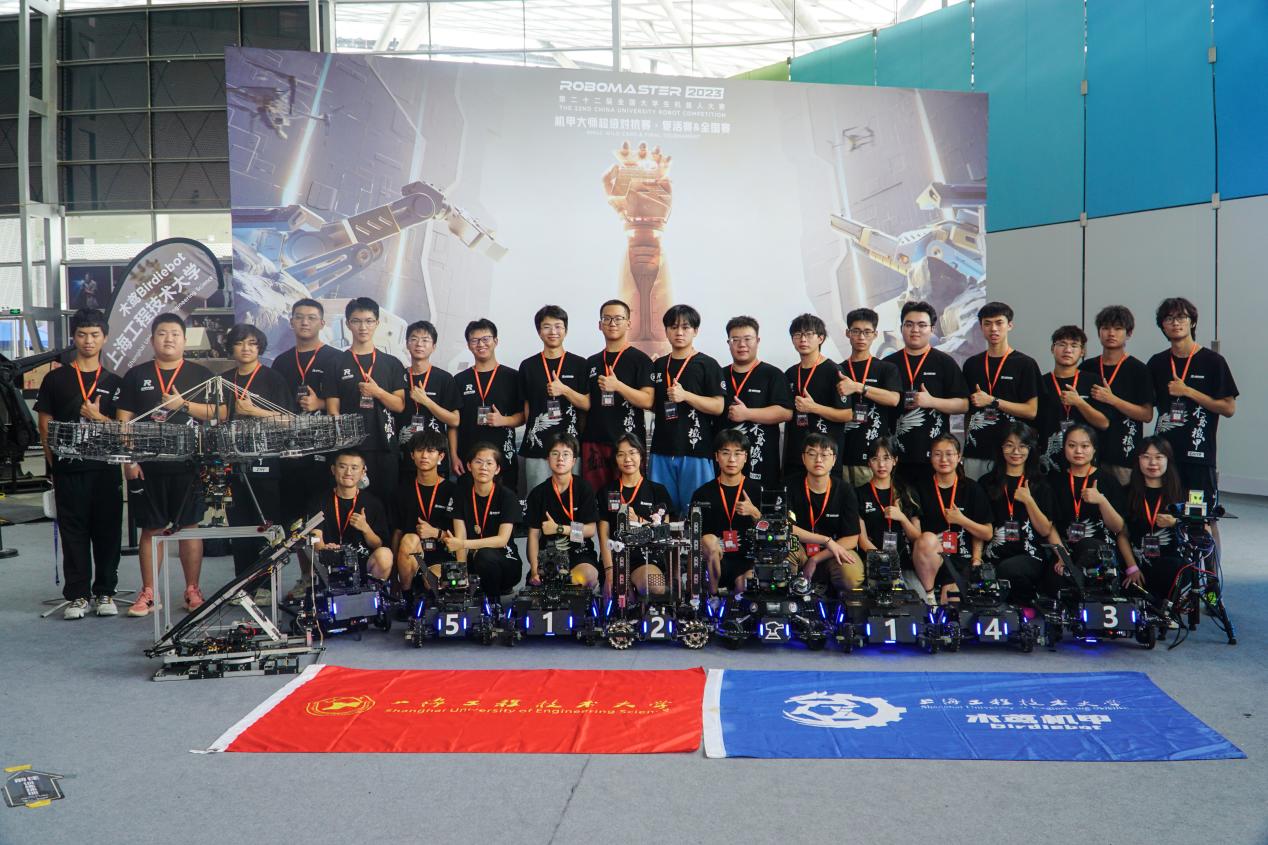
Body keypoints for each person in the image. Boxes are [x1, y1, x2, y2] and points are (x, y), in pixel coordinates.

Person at [116, 313, 219, 617]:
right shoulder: (136, 375)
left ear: (185, 340)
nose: (169, 339)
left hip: (190, 465)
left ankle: (192, 590)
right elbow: (124, 422)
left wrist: (183, 405)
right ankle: (149, 592)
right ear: (152, 340)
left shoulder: (201, 374)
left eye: (175, 333)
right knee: (151, 528)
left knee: (190, 527)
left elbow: (218, 413)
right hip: (149, 466)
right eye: (162, 333)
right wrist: (129, 459)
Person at [35, 308, 123, 619]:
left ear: (105, 338)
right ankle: (78, 595)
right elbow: (44, 426)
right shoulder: (55, 378)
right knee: (73, 533)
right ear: (74, 337)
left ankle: (105, 592)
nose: (88, 341)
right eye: (82, 335)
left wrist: (98, 418)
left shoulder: (115, 382)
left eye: (95, 335)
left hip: (105, 470)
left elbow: (123, 430)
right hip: (68, 470)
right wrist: (55, 466)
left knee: (108, 533)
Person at [223, 323, 296, 581]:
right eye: (240, 342)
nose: (246, 348)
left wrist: (254, 411)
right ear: (231, 347)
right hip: (233, 464)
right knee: (239, 530)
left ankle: (267, 586)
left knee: (267, 528)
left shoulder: (273, 378)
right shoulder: (224, 379)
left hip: (266, 464)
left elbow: (289, 420)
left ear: (260, 348)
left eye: (252, 343)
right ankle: (242, 585)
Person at [1147, 297, 1238, 504]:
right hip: (1163, 456)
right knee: (1164, 513)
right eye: (1169, 318)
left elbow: (1229, 408)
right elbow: (1146, 407)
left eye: (1181, 317)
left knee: (1199, 514)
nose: (1175, 323)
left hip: (1199, 455)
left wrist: (1188, 391)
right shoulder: (1157, 362)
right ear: (1162, 326)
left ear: (1193, 322)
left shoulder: (1213, 362)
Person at [321, 297, 406, 503]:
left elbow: (399, 406)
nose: (363, 327)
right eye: (356, 321)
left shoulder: (392, 363)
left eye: (369, 321)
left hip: (384, 446)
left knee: (385, 504)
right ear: (348, 324)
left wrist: (377, 392)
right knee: (350, 503)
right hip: (350, 449)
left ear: (377, 323)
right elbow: (333, 410)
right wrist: (342, 443)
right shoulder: (336, 362)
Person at [271, 298, 342, 531]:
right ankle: (297, 558)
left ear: (322, 323)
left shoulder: (336, 358)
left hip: (325, 450)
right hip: (290, 451)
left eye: (311, 318)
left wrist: (320, 403)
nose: (305, 322)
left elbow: (350, 401)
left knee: (322, 515)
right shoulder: (281, 362)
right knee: (292, 518)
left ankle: (321, 556)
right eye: (299, 317)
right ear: (291, 322)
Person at [883, 301, 969, 484]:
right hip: (895, 457)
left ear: (932, 329)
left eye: (922, 325)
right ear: (901, 328)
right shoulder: (888, 364)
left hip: (936, 457)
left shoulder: (944, 362)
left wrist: (932, 402)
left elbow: (963, 404)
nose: (915, 330)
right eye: (909, 324)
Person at [649, 304, 725, 513]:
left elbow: (718, 406)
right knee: (661, 514)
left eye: (685, 327)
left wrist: (686, 396)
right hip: (661, 450)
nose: (679, 332)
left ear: (695, 331)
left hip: (695, 450)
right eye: (673, 327)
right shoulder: (658, 365)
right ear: (666, 331)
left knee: (698, 513)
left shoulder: (707, 364)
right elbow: (652, 404)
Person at [911, 433, 993, 604]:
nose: (943, 459)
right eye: (937, 454)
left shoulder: (972, 488)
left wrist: (962, 520)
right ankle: (929, 596)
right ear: (930, 457)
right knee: (927, 539)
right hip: (932, 558)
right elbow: (915, 535)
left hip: (962, 559)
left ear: (959, 457)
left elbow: (987, 533)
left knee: (951, 603)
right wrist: (932, 541)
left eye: (949, 454)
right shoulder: (919, 487)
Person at [581, 299, 654, 492]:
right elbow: (585, 405)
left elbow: (648, 400)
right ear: (600, 324)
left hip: (627, 444)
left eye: (618, 318)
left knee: (627, 497)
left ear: (628, 323)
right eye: (607, 318)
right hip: (594, 442)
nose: (612, 323)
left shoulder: (641, 360)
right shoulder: (591, 362)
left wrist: (618, 386)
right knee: (595, 497)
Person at [961, 302, 1040, 479]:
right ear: (981, 327)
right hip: (976, 451)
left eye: (999, 323)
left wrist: (993, 401)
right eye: (987, 324)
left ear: (1010, 325)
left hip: (1012, 453)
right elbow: (968, 411)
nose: (993, 329)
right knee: (975, 494)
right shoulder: (971, 364)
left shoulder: (1025, 364)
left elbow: (1031, 411)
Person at [982, 422, 1057, 607]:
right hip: (994, 554)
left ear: (1030, 449)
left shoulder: (1040, 484)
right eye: (1009, 445)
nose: (1016, 451)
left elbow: (1045, 530)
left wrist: (1029, 500)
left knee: (1009, 570)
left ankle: (1027, 610)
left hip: (1030, 554)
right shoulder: (987, 482)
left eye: (1022, 446)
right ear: (1001, 448)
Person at [518, 306, 590, 491]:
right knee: (536, 497)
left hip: (570, 448)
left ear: (566, 330)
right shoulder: (528, 366)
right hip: (537, 447)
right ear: (539, 331)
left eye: (558, 326)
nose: (553, 332)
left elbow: (588, 404)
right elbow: (527, 407)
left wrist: (564, 390)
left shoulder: (580, 364)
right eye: (547, 327)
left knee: (571, 498)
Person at [1081, 305, 1154, 486]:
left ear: (1128, 334)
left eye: (1118, 328)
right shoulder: (1087, 367)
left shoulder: (1138, 369)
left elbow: (1146, 414)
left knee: (1122, 500)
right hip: (1087, 453)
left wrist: (1112, 400)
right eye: (1105, 328)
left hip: (1123, 456)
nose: (1111, 333)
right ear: (1099, 332)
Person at [784, 433, 863, 595]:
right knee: (783, 547)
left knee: (851, 574)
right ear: (803, 458)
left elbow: (851, 537)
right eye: (812, 454)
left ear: (834, 460)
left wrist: (816, 558)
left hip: (830, 553)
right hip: (800, 550)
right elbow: (787, 528)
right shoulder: (789, 486)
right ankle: (790, 595)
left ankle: (837, 599)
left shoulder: (845, 490)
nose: (818, 460)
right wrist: (825, 540)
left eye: (825, 455)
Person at [596, 433, 675, 597]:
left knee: (655, 586)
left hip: (646, 559)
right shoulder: (606, 491)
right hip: (615, 558)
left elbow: (664, 533)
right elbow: (603, 535)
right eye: (621, 454)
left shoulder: (657, 490)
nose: (627, 459)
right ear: (615, 459)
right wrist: (609, 570)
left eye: (632, 453)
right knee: (612, 599)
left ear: (641, 455)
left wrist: (638, 520)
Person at [1117, 436, 1190, 606]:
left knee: (1176, 569)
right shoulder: (1126, 493)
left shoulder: (1181, 494)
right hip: (1136, 562)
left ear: (1168, 460)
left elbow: (1197, 530)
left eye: (1159, 457)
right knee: (1127, 588)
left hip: (1168, 562)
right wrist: (1132, 568)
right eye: (1146, 457)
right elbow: (1121, 534)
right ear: (1138, 460)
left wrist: (1175, 522)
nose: (1152, 463)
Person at [1048, 424, 1127, 581]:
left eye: (1085, 446)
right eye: (1072, 445)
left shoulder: (1108, 481)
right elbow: (1050, 526)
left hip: (1100, 552)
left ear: (1094, 449)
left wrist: (1101, 501)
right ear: (1064, 448)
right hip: (1065, 551)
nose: (1078, 451)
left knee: (1089, 550)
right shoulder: (1054, 481)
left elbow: (1118, 527)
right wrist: (1063, 556)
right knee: (1054, 580)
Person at [452, 319, 524, 491]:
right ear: (468, 345)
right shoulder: (460, 379)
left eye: (486, 339)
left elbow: (523, 415)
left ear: (495, 341)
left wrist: (504, 420)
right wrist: (453, 456)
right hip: (469, 461)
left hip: (503, 459)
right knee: (468, 504)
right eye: (475, 340)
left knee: (505, 502)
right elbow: (453, 423)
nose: (480, 344)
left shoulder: (512, 377)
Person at [446, 442, 524, 601]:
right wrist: (462, 575)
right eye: (478, 462)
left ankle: (494, 605)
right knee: (451, 571)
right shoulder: (460, 495)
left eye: (489, 463)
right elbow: (460, 537)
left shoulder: (507, 496)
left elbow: (502, 540)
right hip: (474, 563)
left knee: (484, 555)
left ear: (497, 469)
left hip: (506, 563)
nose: (483, 467)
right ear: (469, 466)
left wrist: (463, 544)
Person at [525, 433, 600, 591]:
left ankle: (562, 584)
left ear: (573, 461)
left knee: (587, 576)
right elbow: (533, 536)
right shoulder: (538, 493)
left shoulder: (584, 489)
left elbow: (590, 530)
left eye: (566, 454)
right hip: (549, 555)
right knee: (536, 589)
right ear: (548, 458)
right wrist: (534, 569)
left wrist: (559, 528)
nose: (560, 459)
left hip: (579, 551)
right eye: (555, 454)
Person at [691, 429, 763, 594]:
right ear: (717, 457)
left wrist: (755, 513)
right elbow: (694, 536)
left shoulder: (757, 490)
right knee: (709, 540)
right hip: (714, 559)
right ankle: (713, 596)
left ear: (745, 457)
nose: (732, 459)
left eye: (737, 453)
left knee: (745, 585)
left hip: (747, 560)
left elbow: (772, 532)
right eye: (725, 453)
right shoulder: (702, 493)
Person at [722, 315, 792, 485]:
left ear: (757, 341)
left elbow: (786, 413)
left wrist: (747, 414)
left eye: (748, 339)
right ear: (728, 343)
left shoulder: (772, 374)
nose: (742, 344)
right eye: (735, 339)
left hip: (762, 461)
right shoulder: (719, 374)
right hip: (725, 461)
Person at [392, 430, 461, 599]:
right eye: (419, 450)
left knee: (431, 581)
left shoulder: (453, 491)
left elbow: (460, 539)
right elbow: (397, 532)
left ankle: (428, 593)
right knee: (409, 538)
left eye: (430, 451)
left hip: (442, 557)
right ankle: (407, 598)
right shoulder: (402, 491)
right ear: (412, 455)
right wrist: (394, 574)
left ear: (441, 456)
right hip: (413, 557)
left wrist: (435, 532)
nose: (424, 456)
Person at [836, 307, 902, 485]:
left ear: (875, 334)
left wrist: (858, 387)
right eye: (856, 331)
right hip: (840, 455)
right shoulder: (838, 369)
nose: (861, 337)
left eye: (867, 332)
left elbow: (893, 399)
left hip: (874, 459)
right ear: (847, 333)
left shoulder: (886, 368)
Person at [307, 449, 393, 580]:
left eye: (354, 468)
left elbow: (379, 544)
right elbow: (315, 536)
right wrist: (324, 549)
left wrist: (365, 528)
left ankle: (374, 589)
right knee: (304, 545)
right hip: (330, 563)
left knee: (385, 555)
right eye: (342, 467)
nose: (348, 472)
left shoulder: (373, 503)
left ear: (363, 472)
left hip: (363, 565)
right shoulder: (320, 501)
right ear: (333, 469)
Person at [1036, 325, 1108, 474]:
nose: (1068, 350)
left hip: (1084, 461)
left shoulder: (1093, 381)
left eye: (1074, 345)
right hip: (1049, 463)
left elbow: (1103, 423)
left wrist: (1079, 402)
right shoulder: (1041, 383)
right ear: (1052, 348)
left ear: (1082, 351)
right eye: (1062, 344)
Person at [783, 313, 850, 469]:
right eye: (797, 335)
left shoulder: (834, 371)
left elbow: (847, 414)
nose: (803, 339)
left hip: (824, 457)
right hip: (796, 454)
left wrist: (813, 408)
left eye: (808, 334)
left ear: (821, 338)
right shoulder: (790, 373)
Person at [396, 320, 459, 475]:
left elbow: (454, 420)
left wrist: (426, 401)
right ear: (407, 344)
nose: (419, 344)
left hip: (434, 457)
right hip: (403, 456)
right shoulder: (398, 376)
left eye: (425, 340)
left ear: (434, 346)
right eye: (414, 339)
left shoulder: (444, 378)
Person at [854, 437, 922, 580]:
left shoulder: (907, 492)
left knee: (916, 593)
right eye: (875, 459)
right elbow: (862, 540)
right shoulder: (858, 494)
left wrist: (902, 517)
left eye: (886, 458)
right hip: (874, 559)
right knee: (886, 589)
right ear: (869, 462)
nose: (881, 464)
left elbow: (917, 538)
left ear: (895, 460)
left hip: (906, 562)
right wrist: (884, 559)